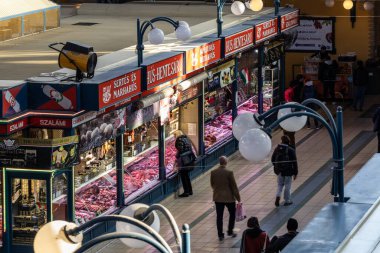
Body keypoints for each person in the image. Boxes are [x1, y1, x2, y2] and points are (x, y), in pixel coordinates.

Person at [210, 156, 241, 241]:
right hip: (229, 198)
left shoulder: (213, 172)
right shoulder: (229, 172)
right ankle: (230, 231)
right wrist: (238, 198)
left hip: (218, 198)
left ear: (220, 162)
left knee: (219, 217)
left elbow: (212, 184)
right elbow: (234, 186)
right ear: (226, 162)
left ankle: (220, 235)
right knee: (232, 214)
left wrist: (217, 191)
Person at [271, 136, 298, 207]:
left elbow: (272, 159)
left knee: (280, 185)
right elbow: (294, 162)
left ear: (282, 141)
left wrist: (277, 167)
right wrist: (295, 172)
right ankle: (287, 200)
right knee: (287, 186)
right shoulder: (291, 150)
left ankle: (278, 196)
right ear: (288, 142)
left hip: (279, 171)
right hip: (288, 171)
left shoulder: (277, 149)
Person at [175, 131, 196, 197]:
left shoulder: (179, 140)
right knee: (186, 176)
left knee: (183, 176)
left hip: (184, 161)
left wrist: (177, 156)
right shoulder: (186, 138)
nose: (174, 137)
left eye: (174, 135)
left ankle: (186, 192)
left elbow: (181, 150)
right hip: (189, 159)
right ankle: (190, 191)